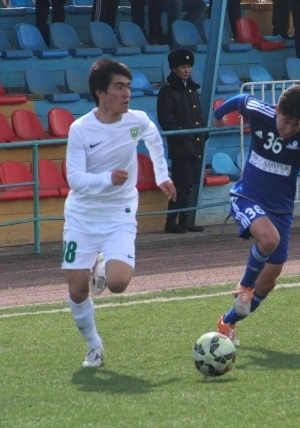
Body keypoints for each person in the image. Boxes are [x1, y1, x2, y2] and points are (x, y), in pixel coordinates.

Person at [63, 59, 176, 368]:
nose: (127, 93)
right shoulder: (80, 129)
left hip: (120, 213)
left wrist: (161, 175)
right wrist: (107, 179)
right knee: (77, 288)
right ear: (101, 93)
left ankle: (102, 264)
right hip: (81, 217)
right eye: (119, 87)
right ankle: (94, 347)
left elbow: (153, 138)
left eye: (128, 87)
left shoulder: (136, 121)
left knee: (118, 283)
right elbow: (74, 179)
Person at [212, 85, 300, 346]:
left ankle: (227, 322)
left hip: (281, 211)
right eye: (285, 121)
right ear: (277, 110)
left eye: (294, 125)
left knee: (267, 282)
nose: (288, 129)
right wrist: (218, 116)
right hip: (247, 197)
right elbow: (240, 100)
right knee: (268, 239)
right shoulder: (261, 111)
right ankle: (244, 286)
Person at [157, 50, 206, 234]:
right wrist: (182, 136)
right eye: (183, 67)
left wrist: (202, 134)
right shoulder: (167, 92)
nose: (187, 70)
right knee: (180, 183)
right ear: (174, 68)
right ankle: (171, 221)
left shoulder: (192, 90)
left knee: (190, 183)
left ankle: (185, 219)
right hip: (180, 144)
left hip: (195, 143)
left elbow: (198, 115)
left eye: (189, 67)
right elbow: (166, 119)